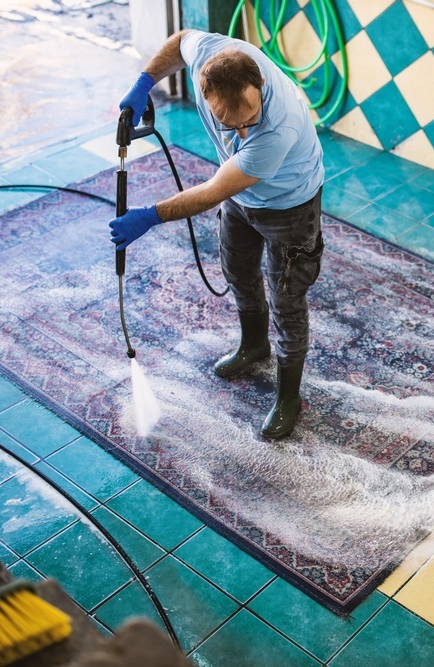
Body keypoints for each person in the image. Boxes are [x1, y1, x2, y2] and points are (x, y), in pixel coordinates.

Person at [110, 29, 325, 439]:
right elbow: (179, 41)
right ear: (203, 89)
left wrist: (149, 216)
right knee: (237, 270)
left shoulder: (278, 128)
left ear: (258, 83)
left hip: (290, 205)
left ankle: (289, 396)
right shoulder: (210, 57)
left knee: (287, 298)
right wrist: (144, 82)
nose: (242, 132)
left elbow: (211, 191)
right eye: (230, 124)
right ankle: (254, 345)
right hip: (242, 199)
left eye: (249, 119)